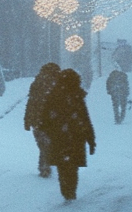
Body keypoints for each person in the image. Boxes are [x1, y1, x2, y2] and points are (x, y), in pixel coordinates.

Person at [38, 68, 95, 201]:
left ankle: (66, 190)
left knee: (62, 165)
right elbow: (85, 118)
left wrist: (47, 131)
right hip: (76, 135)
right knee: (73, 166)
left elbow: (44, 118)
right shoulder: (77, 96)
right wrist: (91, 139)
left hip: (59, 137)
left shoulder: (53, 95)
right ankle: (71, 190)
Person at [23, 63, 61, 178]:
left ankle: (44, 166)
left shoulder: (37, 83)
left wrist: (27, 120)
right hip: (52, 120)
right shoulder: (58, 83)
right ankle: (45, 165)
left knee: (42, 144)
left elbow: (31, 102)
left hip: (37, 119)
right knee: (49, 143)